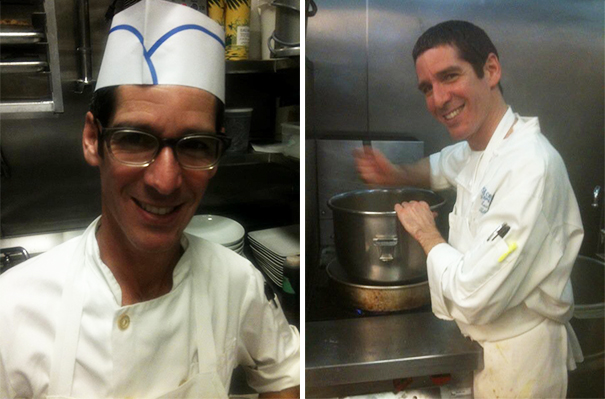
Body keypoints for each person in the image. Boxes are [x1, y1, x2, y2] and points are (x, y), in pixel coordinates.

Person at [0, 1, 299, 398]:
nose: (165, 180)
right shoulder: (13, 309)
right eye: (135, 139)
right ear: (93, 139)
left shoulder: (236, 282)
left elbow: (287, 376)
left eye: (195, 145)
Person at [355, 20, 583, 398]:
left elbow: (474, 298)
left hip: (518, 365)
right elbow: (439, 166)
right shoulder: (481, 146)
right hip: (477, 351)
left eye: (450, 76)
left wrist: (427, 235)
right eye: (427, 87)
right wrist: (395, 173)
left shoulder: (530, 166)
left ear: (491, 70)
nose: (439, 98)